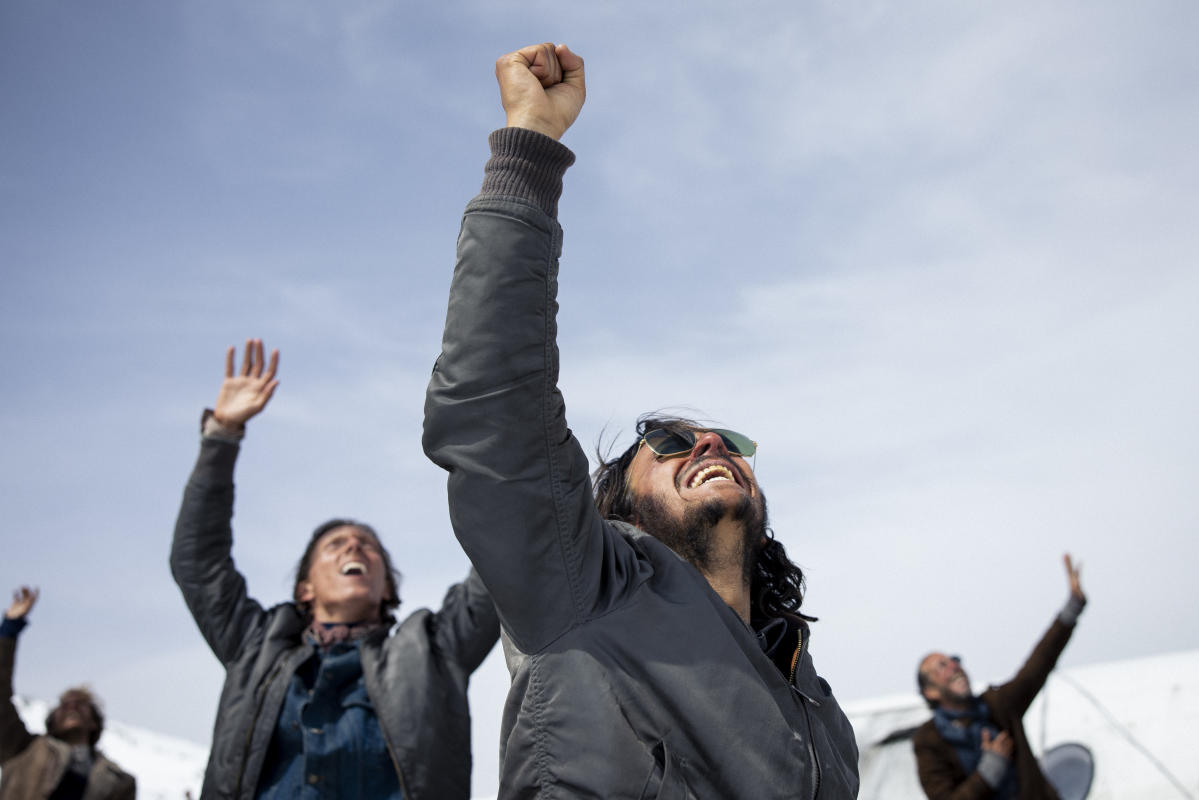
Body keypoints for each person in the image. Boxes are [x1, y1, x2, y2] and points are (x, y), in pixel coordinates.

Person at [423, 43, 859, 798]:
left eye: (726, 441)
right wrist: (529, 148)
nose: (710, 443)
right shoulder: (584, 592)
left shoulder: (815, 699)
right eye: (669, 443)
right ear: (615, 510)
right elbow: (495, 411)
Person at [171, 340, 500, 800]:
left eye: (369, 546)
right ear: (304, 588)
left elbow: (502, 561)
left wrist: (496, 443)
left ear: (388, 589)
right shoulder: (254, 648)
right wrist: (222, 434)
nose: (354, 546)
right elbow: (199, 563)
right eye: (335, 544)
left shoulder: (434, 651)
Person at [912, 554, 1087, 800]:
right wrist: (988, 772)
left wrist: (1072, 608)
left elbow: (1037, 665)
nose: (953, 667)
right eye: (940, 667)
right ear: (930, 691)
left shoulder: (998, 706)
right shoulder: (929, 741)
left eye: (954, 661)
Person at [1, 586, 136, 800]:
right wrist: (9, 630)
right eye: (64, 705)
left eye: (80, 704)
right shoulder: (22, 749)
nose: (71, 706)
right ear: (52, 720)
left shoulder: (120, 782)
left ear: (94, 723)